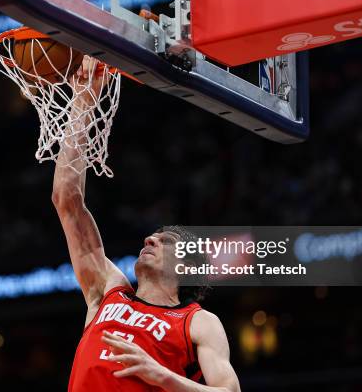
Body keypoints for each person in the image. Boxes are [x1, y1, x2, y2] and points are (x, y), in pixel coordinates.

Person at [52, 56, 241, 392]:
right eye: (151, 237)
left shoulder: (196, 322)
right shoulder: (108, 291)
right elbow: (67, 201)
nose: (149, 241)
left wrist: (162, 375)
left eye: (164, 241)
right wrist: (83, 102)